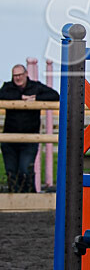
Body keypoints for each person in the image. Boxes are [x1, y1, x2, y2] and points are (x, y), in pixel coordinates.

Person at [0, 64, 59, 192]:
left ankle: (30, 198)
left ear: (26, 74)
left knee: (25, 169)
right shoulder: (8, 87)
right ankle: (14, 200)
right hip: (9, 138)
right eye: (15, 75)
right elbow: (2, 95)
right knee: (11, 171)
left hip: (30, 138)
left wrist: (36, 98)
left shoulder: (36, 87)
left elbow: (55, 95)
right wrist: (21, 98)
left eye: (20, 75)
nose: (18, 78)